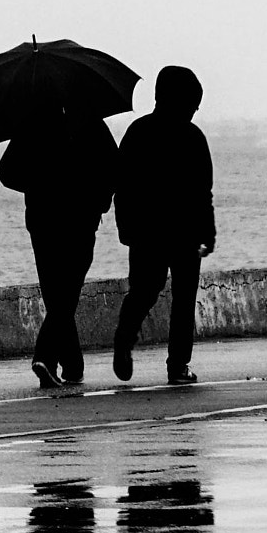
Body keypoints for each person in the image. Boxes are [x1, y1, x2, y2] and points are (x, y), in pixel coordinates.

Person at [0, 106, 117, 388]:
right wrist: (98, 201)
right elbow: (115, 168)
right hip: (80, 220)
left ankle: (73, 364)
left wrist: (39, 185)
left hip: (43, 221)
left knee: (56, 294)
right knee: (66, 293)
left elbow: (7, 171)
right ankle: (45, 357)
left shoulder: (34, 123)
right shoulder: (91, 123)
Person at [111, 66, 214, 386]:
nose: (195, 110)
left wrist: (125, 227)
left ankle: (124, 342)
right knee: (184, 300)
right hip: (184, 234)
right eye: (194, 103)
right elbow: (202, 193)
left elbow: (121, 186)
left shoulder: (138, 131)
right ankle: (178, 365)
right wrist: (208, 234)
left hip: (145, 232)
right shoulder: (193, 137)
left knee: (143, 292)